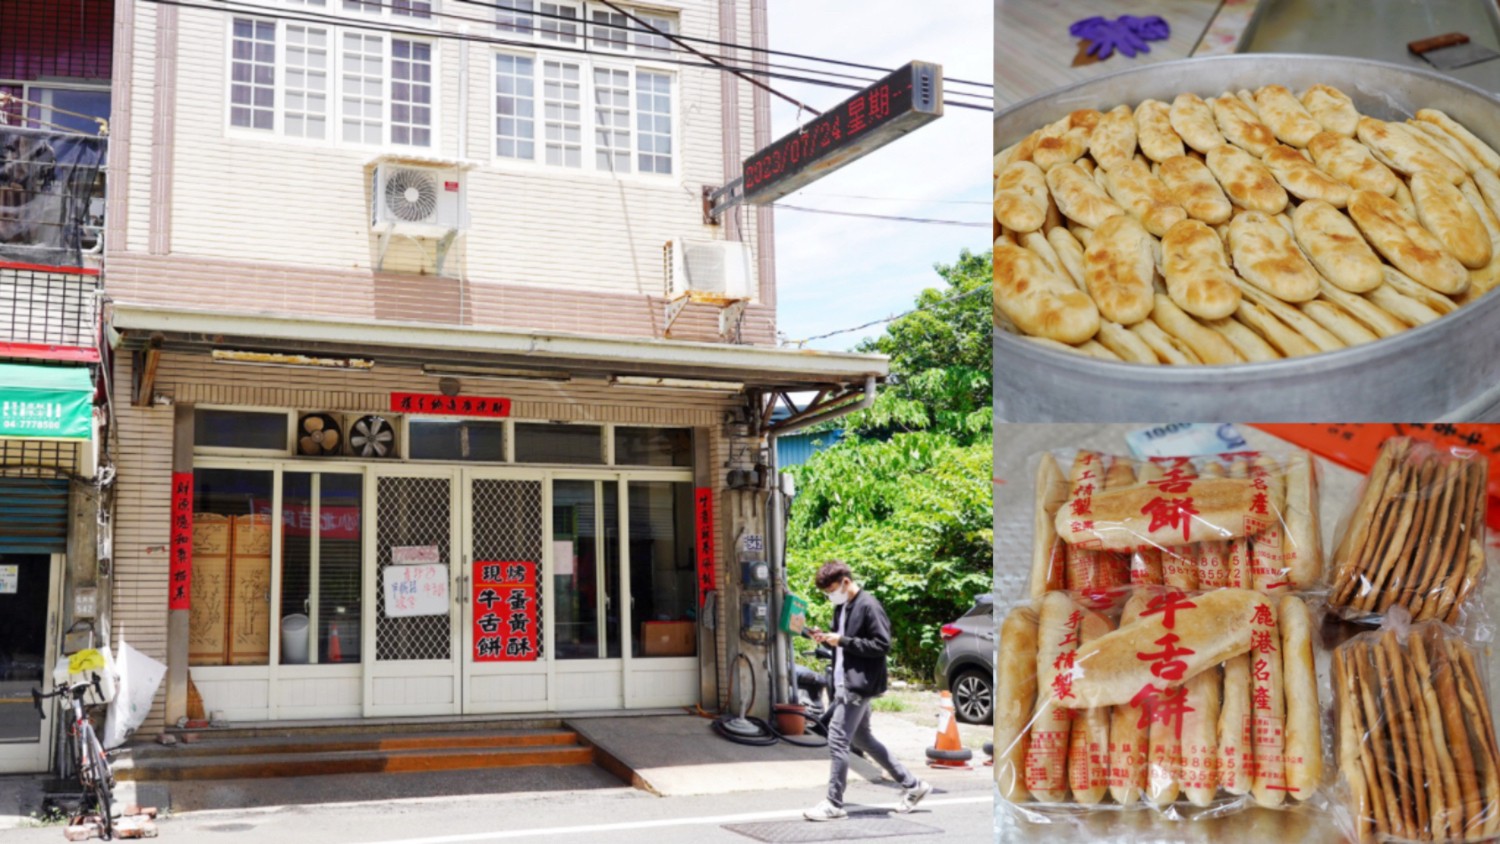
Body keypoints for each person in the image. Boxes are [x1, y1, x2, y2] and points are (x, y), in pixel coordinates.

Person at [803, 560, 932, 821]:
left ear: (846, 582)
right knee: (862, 739)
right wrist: (827, 638)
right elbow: (845, 643)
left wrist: (844, 641)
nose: (830, 595)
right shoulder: (842, 607)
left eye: (831, 589)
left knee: (838, 738)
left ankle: (834, 802)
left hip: (858, 685)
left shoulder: (869, 605)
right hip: (845, 680)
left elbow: (881, 645)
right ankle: (913, 785)